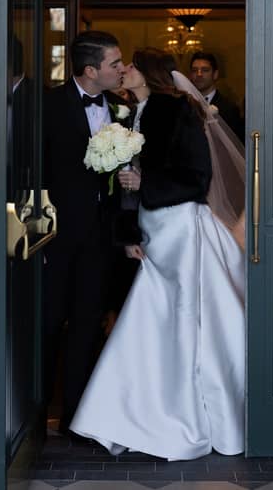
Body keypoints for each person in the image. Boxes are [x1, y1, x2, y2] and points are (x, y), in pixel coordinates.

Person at [70, 47, 246, 461]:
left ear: (146, 73)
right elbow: (131, 184)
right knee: (154, 320)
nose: (124, 71)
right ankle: (132, 413)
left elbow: (196, 176)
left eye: (130, 65)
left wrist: (144, 179)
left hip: (179, 229)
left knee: (179, 320)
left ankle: (178, 414)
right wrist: (129, 229)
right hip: (153, 228)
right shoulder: (136, 112)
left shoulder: (174, 110)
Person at [42, 30, 125, 435]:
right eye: (115, 64)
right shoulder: (48, 105)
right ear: (91, 70)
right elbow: (30, 172)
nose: (122, 69)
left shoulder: (122, 108)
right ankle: (36, 417)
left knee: (88, 326)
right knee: (49, 323)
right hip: (55, 237)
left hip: (101, 237)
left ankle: (79, 418)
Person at [189, 51, 245, 142]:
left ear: (215, 74)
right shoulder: (185, 104)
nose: (199, 74)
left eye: (205, 70)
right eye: (194, 70)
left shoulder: (229, 108)